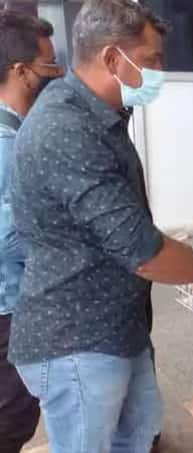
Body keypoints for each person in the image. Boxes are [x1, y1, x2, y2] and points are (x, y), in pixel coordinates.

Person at [8, 2, 193, 452]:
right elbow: (144, 251)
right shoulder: (66, 128)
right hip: (76, 339)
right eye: (152, 60)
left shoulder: (98, 114)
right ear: (114, 59)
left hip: (117, 328)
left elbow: (126, 228)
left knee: (139, 431)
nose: (159, 72)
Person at [0, 11, 62, 453]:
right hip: (10, 308)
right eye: (50, 69)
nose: (57, 78)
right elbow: (9, 237)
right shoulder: (9, 146)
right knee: (13, 416)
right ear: (21, 72)